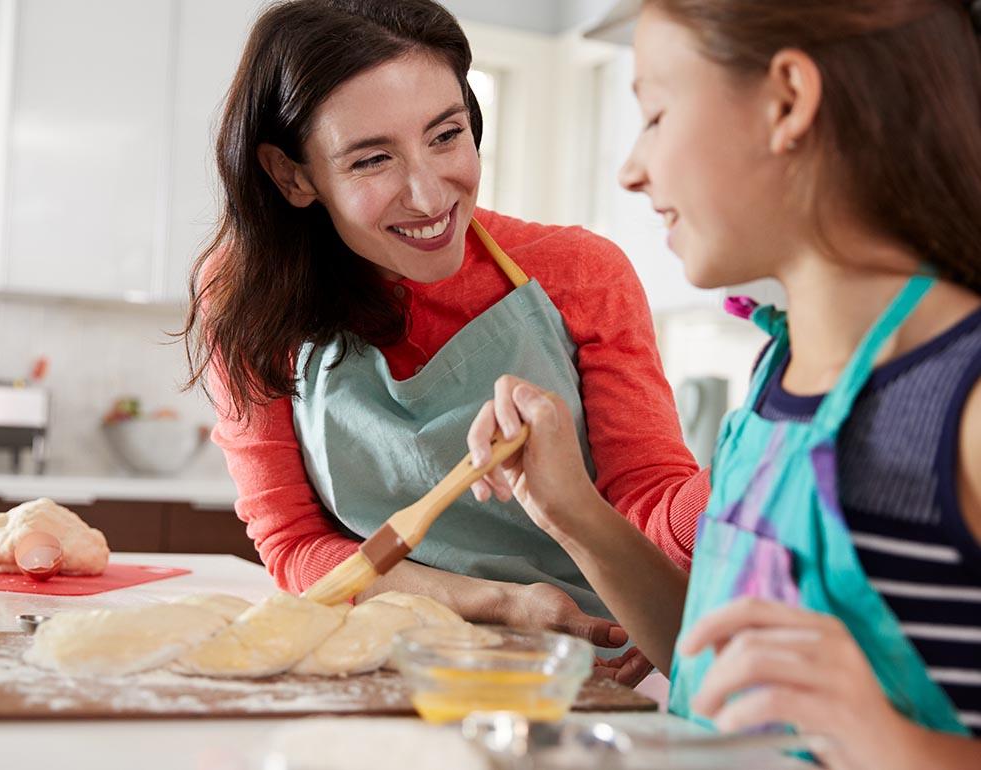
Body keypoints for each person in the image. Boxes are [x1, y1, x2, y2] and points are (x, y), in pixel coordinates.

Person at [467, 0, 981, 766]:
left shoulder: (963, 396)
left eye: (655, 115)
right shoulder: (778, 371)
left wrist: (888, 741)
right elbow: (719, 666)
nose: (631, 170)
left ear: (787, 102)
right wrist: (568, 507)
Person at [178, 0, 709, 677]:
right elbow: (295, 546)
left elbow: (652, 513)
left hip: (585, 667)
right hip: (389, 667)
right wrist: (504, 604)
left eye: (446, 135)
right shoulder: (246, 298)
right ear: (295, 176)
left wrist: (732, 488)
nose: (430, 196)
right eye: (373, 160)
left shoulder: (581, 273)